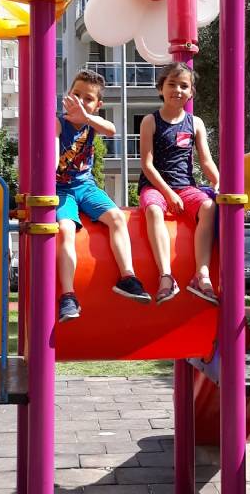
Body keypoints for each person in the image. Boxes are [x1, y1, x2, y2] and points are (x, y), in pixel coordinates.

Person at [56, 70, 150, 322]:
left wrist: (86, 116)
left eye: (88, 98)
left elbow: (111, 129)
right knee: (65, 229)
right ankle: (68, 295)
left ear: (98, 105)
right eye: (76, 94)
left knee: (118, 218)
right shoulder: (59, 122)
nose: (81, 100)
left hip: (86, 187)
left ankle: (127, 277)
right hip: (61, 189)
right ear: (68, 95)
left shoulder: (92, 122)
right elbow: (51, 136)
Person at [138, 62, 219, 305]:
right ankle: (166, 275)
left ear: (191, 92)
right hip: (155, 186)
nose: (178, 90)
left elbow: (206, 160)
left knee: (208, 207)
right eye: (172, 84)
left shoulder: (195, 123)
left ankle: (201, 273)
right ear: (160, 88)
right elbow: (147, 164)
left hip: (185, 186)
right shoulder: (150, 121)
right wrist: (168, 193)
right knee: (153, 209)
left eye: (184, 86)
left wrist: (218, 181)